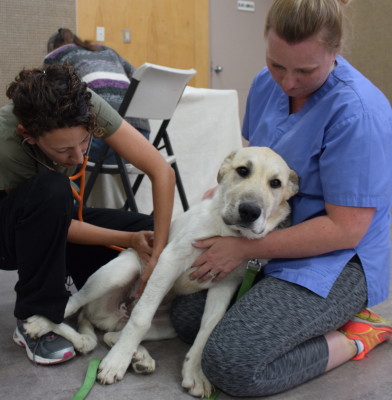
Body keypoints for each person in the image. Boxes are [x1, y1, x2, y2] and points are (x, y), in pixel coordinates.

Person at [170, 0, 392, 397]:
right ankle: (303, 319)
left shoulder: (358, 113)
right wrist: (226, 196)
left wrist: (238, 249)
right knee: (187, 315)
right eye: (277, 65)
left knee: (232, 362)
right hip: (270, 238)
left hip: (337, 257)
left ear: (336, 51)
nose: (288, 82)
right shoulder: (263, 83)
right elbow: (257, 160)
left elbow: (345, 230)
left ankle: (360, 334)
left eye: (306, 70)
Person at [0, 63, 175, 365]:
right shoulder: (6, 145)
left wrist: (157, 251)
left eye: (84, 140)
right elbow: (52, 224)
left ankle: (97, 305)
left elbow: (161, 171)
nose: (79, 157)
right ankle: (33, 315)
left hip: (53, 216)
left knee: (153, 229)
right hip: (10, 233)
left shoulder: (85, 104)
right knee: (53, 188)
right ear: (28, 135)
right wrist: (128, 239)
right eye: (63, 150)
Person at [44, 27, 150, 164]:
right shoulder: (107, 50)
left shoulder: (55, 56)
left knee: (55, 144)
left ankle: (69, 185)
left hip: (107, 146)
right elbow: (139, 78)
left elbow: (45, 97)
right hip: (144, 142)